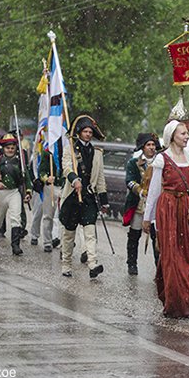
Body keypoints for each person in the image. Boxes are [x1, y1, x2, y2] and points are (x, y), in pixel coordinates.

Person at [143, 120, 189, 318]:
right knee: (172, 257)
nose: (187, 136)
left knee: (188, 255)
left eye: (187, 133)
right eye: (183, 134)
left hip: (186, 210)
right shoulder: (162, 159)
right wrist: (148, 218)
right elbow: (153, 192)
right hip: (167, 210)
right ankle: (174, 304)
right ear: (172, 136)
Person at [60, 115, 109, 279]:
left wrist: (104, 201)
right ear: (79, 133)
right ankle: (66, 264)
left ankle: (93, 264)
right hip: (72, 197)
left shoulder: (97, 153)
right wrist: (75, 180)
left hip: (88, 197)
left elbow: (100, 178)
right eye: (85, 131)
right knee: (69, 234)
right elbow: (66, 167)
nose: (88, 134)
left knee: (90, 232)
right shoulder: (70, 150)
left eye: (90, 132)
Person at [0, 134, 32, 255]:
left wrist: (28, 192)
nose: (10, 150)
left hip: (14, 192)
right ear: (3, 148)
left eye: (12, 147)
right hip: (1, 193)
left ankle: (15, 245)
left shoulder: (20, 162)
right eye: (8, 148)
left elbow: (27, 178)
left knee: (16, 218)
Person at [124, 132, 160, 275]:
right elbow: (130, 181)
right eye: (148, 145)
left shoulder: (160, 162)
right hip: (139, 204)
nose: (151, 148)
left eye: (153, 145)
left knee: (156, 237)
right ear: (143, 147)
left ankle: (159, 268)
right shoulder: (134, 163)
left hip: (156, 206)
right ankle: (131, 263)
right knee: (134, 235)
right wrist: (141, 190)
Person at [36, 141, 64, 253]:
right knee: (48, 215)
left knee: (65, 216)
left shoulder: (68, 148)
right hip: (50, 186)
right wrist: (46, 178)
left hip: (63, 186)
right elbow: (41, 170)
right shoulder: (48, 151)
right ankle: (47, 241)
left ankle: (63, 242)